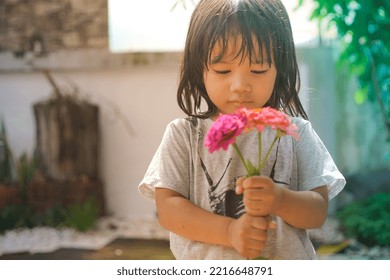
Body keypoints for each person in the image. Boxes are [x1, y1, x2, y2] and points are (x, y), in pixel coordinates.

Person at [139, 0, 345, 260]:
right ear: (198, 68)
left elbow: (317, 211)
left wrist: (280, 200)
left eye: (258, 69)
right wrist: (230, 231)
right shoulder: (184, 136)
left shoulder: (295, 132)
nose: (240, 85)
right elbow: (169, 210)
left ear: (279, 70)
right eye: (223, 69)